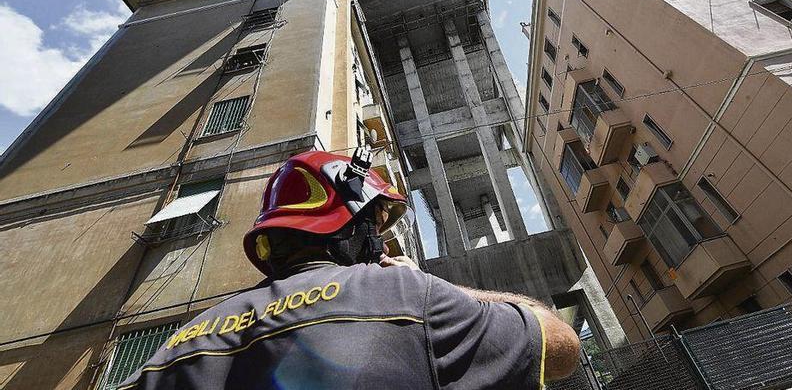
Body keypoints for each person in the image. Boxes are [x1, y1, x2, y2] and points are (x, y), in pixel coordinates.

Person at [119, 148, 581, 389]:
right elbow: (560, 346)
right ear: (353, 221)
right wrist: (432, 284)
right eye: (377, 222)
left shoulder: (183, 339)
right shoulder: (402, 293)